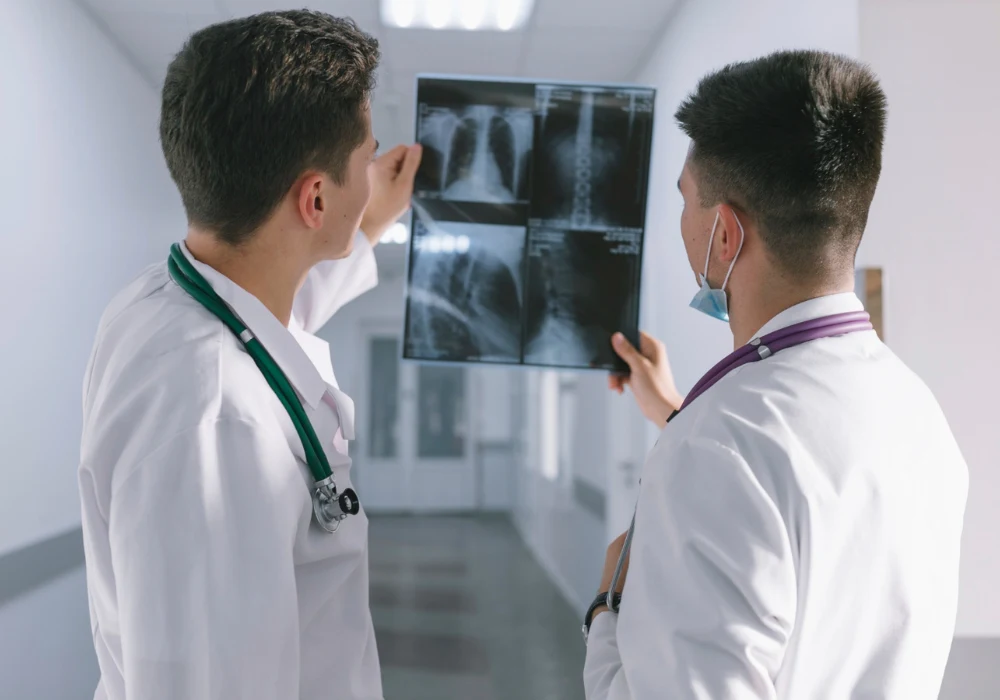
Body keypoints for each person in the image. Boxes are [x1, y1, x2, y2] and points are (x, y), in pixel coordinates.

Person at [584, 50, 969, 699]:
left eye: (686, 200)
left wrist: (606, 606)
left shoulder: (715, 446)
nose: (682, 223)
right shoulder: (918, 412)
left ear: (726, 236)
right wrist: (679, 413)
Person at [78, 12, 421, 699]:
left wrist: (369, 218)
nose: (373, 167)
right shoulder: (216, 421)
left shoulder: (162, 302)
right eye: (366, 156)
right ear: (315, 197)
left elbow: (268, 312)